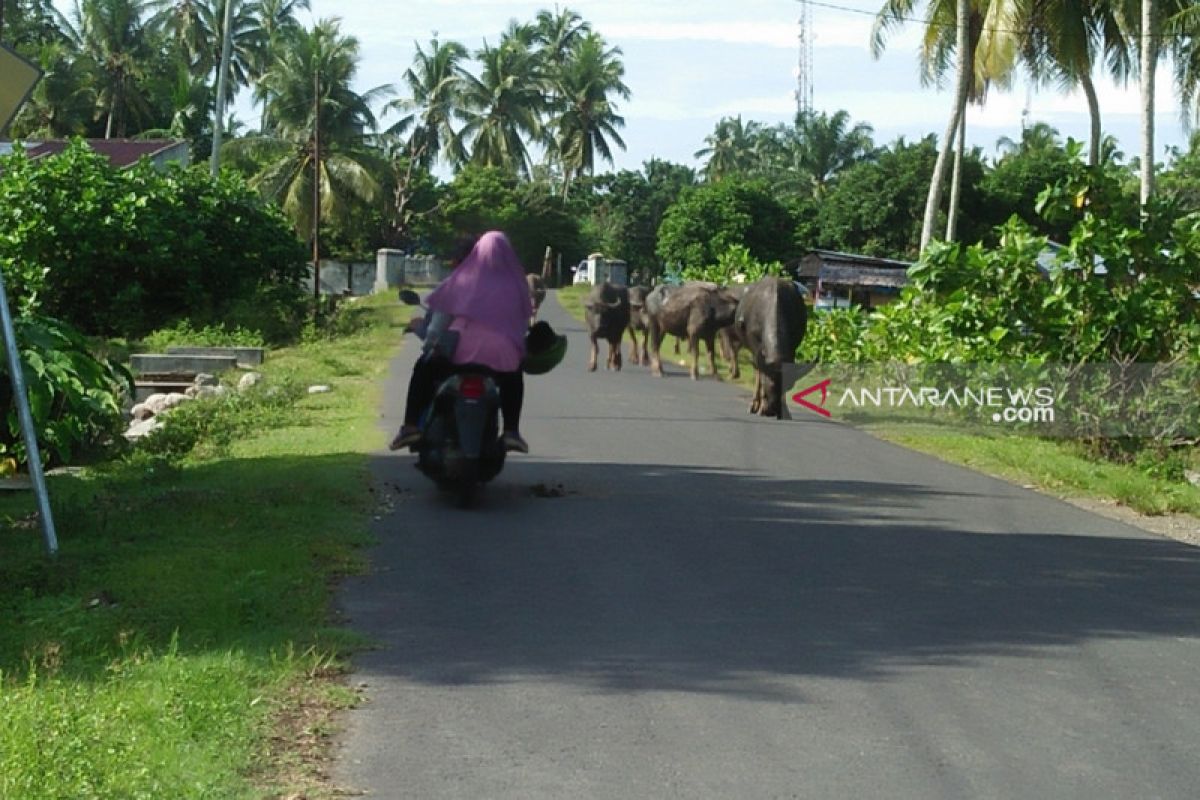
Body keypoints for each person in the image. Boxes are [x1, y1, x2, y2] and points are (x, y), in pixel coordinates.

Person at [390, 231, 534, 453]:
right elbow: (522, 326)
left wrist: (430, 346)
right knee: (514, 377)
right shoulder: (517, 287)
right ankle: (511, 431)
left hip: (457, 354)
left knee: (422, 369)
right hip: (501, 358)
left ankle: (410, 427)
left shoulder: (463, 279)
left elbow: (439, 323)